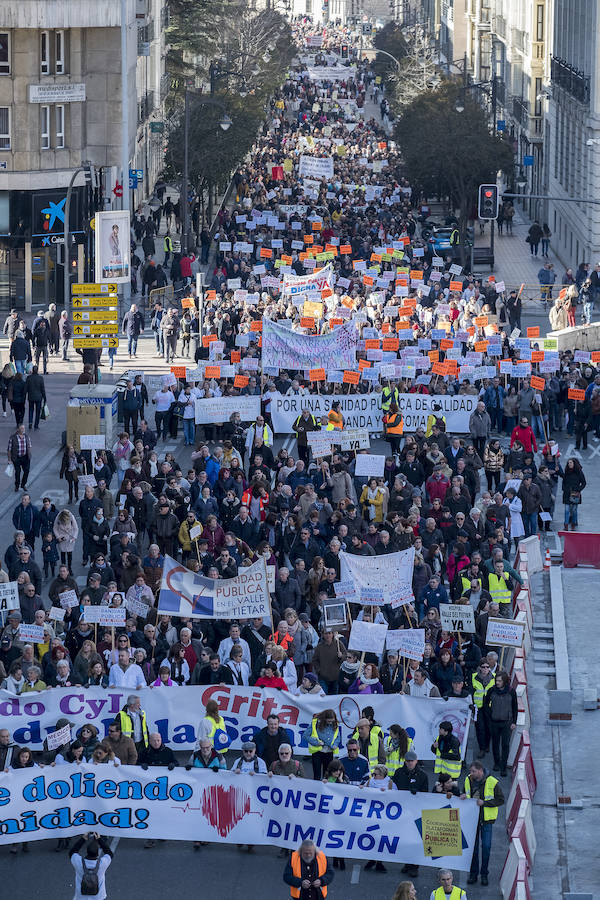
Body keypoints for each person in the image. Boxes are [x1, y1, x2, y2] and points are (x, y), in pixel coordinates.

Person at [461, 760, 505, 886]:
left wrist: (484, 803)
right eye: (470, 771)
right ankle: (473, 874)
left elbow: (501, 800)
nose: (471, 773)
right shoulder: (468, 780)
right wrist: (463, 795)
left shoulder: (492, 782)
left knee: (486, 847)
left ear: (480, 771)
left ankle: (484, 874)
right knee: (473, 850)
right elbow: (465, 793)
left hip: (486, 821)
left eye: (473, 771)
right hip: (472, 820)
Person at [392, 750, 428, 878]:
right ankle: (407, 863)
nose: (410, 763)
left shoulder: (422, 776)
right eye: (408, 761)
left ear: (416, 761)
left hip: (415, 812)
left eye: (412, 761)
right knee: (404, 839)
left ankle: (414, 866)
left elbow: (426, 794)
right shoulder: (399, 773)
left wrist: (417, 792)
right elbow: (393, 788)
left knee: (415, 840)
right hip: (401, 811)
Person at [485, 670, 517, 776]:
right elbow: (486, 704)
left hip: (507, 723)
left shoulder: (511, 691)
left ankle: (503, 767)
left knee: (505, 745)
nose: (497, 682)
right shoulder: (491, 690)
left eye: (499, 681)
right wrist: (490, 716)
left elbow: (515, 707)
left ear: (504, 681)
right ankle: (496, 763)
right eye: (496, 680)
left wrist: (514, 722)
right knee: (495, 743)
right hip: (494, 722)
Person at [70, 832, 113, 900]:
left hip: (81, 897)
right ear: (97, 854)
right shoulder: (102, 863)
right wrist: (99, 839)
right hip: (99, 897)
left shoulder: (78, 862)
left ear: (87, 852)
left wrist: (83, 839)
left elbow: (72, 852)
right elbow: (109, 853)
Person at [303, 709, 341, 780]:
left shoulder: (335, 725)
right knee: (317, 775)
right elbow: (305, 736)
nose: (330, 723)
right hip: (318, 751)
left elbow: (338, 737)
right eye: (329, 721)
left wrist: (335, 745)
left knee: (327, 775)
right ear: (324, 719)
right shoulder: (316, 723)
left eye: (331, 721)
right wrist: (316, 742)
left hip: (329, 751)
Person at [560, 457, 586, 530]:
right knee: (566, 510)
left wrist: (578, 490)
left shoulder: (579, 472)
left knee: (574, 510)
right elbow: (564, 482)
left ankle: (573, 525)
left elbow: (584, 483)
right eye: (568, 463)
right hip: (567, 493)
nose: (569, 464)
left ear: (574, 463)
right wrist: (564, 489)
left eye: (570, 463)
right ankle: (566, 525)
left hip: (575, 494)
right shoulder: (567, 471)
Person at [7, 423, 32, 491]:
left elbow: (29, 446)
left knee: (26, 471)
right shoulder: (12, 437)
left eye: (24, 428)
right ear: (18, 429)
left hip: (25, 457)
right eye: (21, 428)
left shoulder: (27, 436)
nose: (23, 430)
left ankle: (23, 484)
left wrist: (29, 454)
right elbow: (9, 449)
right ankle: (17, 485)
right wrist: (9, 459)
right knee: (17, 472)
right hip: (16, 458)